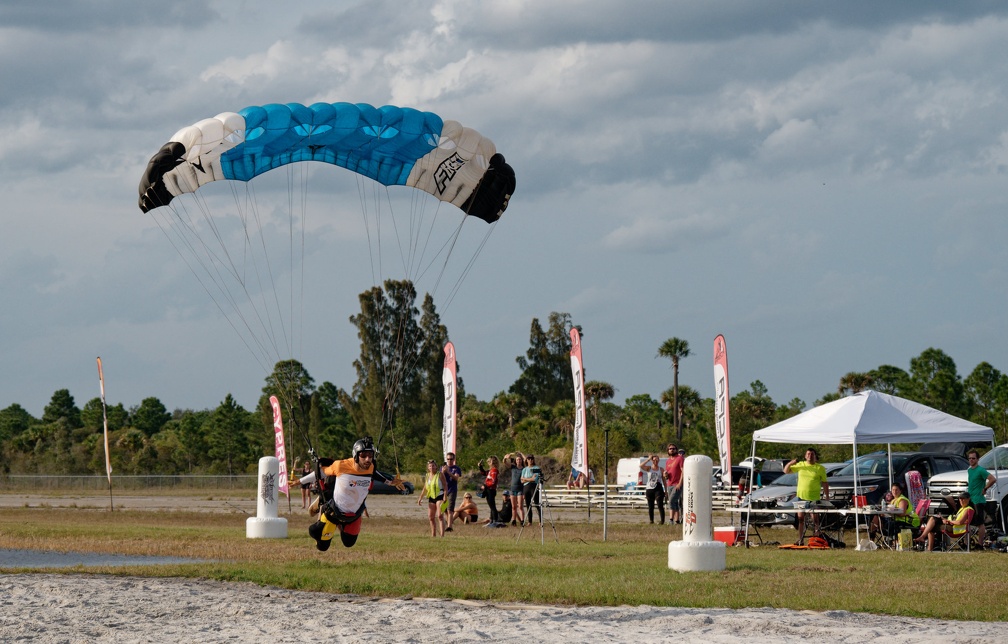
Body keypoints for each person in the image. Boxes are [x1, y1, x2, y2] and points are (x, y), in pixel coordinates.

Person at [300, 437, 404, 550]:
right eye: (363, 455)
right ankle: (322, 502)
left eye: (370, 455)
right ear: (356, 456)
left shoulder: (370, 468)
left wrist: (391, 482)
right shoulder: (341, 465)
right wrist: (298, 481)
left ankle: (340, 524)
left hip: (353, 515)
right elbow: (321, 472)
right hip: (333, 512)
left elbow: (376, 475)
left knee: (349, 543)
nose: (367, 459)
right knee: (322, 546)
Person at [784, 448, 829, 545]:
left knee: (815, 519)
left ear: (815, 456)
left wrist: (827, 496)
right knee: (800, 518)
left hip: (814, 498)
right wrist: (791, 462)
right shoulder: (801, 465)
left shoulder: (820, 468)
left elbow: (825, 483)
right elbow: (786, 471)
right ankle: (801, 540)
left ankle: (817, 539)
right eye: (808, 454)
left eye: (812, 454)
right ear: (805, 456)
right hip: (801, 497)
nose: (810, 456)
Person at [966, 449, 996, 546]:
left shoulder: (981, 470)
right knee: (968, 522)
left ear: (978, 459)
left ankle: (980, 544)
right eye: (970, 458)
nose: (971, 460)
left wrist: (985, 488)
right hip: (970, 498)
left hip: (978, 500)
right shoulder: (970, 470)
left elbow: (992, 479)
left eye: (973, 458)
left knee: (980, 523)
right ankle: (967, 543)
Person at [418, 459, 448, 537]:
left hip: (440, 496)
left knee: (440, 516)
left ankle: (442, 535)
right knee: (431, 517)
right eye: (430, 466)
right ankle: (433, 534)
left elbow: (445, 485)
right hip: (431, 497)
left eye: (433, 466)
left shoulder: (440, 474)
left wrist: (445, 495)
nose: (432, 467)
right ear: (428, 467)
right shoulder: (427, 475)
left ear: (436, 466)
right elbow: (425, 487)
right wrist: (421, 497)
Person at [640, 454, 666, 524]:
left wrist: (665, 490)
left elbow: (664, 480)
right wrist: (648, 459)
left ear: (659, 460)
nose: (655, 461)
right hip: (650, 488)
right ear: (652, 461)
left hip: (658, 487)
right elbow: (641, 466)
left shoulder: (661, 469)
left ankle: (662, 520)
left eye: (657, 460)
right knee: (650, 506)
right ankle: (651, 520)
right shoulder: (649, 468)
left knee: (660, 505)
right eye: (654, 460)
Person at [664, 444, 685, 524]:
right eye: (670, 449)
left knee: (672, 500)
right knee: (675, 502)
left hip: (677, 483)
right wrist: (665, 475)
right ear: (668, 450)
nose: (672, 450)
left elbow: (683, 471)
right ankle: (677, 520)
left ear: (676, 450)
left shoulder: (679, 459)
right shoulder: (668, 461)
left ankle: (671, 519)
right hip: (670, 484)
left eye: (673, 448)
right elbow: (667, 475)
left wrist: (680, 483)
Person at [504, 452, 526, 526]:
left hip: (520, 489)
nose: (518, 461)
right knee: (513, 506)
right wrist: (506, 458)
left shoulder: (523, 469)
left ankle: (522, 520)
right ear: (515, 461)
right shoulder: (513, 467)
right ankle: (513, 520)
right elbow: (504, 462)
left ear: (521, 461)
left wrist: (521, 454)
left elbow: (526, 460)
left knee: (520, 506)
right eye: (517, 460)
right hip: (513, 489)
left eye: (519, 460)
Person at [442, 452, 463, 532]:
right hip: (444, 491)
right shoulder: (442, 468)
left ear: (453, 459)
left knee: (450, 509)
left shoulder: (456, 468)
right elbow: (439, 478)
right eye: (448, 459)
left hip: (452, 490)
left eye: (451, 459)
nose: (449, 460)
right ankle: (448, 523)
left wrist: (448, 472)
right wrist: (443, 472)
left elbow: (456, 478)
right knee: (444, 509)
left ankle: (449, 527)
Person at [521, 454, 544, 525]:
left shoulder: (536, 468)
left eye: (531, 459)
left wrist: (526, 479)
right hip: (526, 487)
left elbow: (534, 479)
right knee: (528, 505)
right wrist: (529, 479)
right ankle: (529, 521)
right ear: (526, 460)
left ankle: (540, 521)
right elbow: (522, 480)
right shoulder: (524, 469)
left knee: (537, 504)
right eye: (529, 459)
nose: (530, 460)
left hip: (534, 487)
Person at [478, 456, 500, 526]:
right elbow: (484, 473)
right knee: (491, 506)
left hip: (491, 490)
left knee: (492, 506)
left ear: (492, 462)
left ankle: (495, 521)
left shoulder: (494, 471)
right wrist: (480, 467)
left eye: (489, 462)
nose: (488, 463)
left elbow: (493, 481)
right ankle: (491, 520)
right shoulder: (491, 470)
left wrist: (485, 485)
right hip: (488, 489)